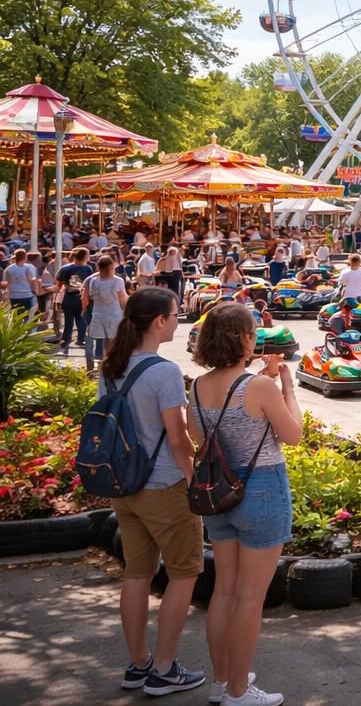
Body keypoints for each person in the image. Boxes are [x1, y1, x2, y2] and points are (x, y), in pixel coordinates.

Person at [190, 301, 301, 706]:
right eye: (252, 331)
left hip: (219, 493)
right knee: (251, 598)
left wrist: (264, 380)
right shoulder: (260, 387)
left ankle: (224, 681)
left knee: (224, 591)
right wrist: (286, 386)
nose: (257, 337)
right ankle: (240, 691)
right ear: (242, 338)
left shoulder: (199, 385)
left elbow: (197, 433)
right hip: (262, 491)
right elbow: (293, 435)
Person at [101, 287, 206, 697]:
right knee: (184, 574)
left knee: (137, 573)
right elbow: (178, 439)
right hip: (163, 485)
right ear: (159, 321)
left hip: (123, 485)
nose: (178, 321)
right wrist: (194, 480)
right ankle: (164, 669)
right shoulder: (163, 372)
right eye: (175, 315)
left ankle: (138, 663)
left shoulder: (111, 367)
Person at [83, 253, 128, 376]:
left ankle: (96, 367)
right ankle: (110, 367)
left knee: (97, 342)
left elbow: (89, 297)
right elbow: (123, 300)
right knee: (112, 343)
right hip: (114, 313)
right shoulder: (117, 281)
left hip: (98, 314)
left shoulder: (93, 281)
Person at [56, 246, 94, 354]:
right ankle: (81, 339)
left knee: (68, 321)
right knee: (81, 320)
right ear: (85, 257)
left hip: (68, 298)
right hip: (82, 299)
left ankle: (65, 340)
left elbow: (59, 283)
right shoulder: (88, 269)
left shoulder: (65, 268)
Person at [5, 247, 38, 317]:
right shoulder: (29, 267)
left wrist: (7, 296)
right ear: (25, 256)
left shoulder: (9, 269)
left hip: (14, 295)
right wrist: (36, 290)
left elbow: (7, 283)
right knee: (29, 316)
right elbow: (32, 280)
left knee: (16, 317)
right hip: (27, 295)